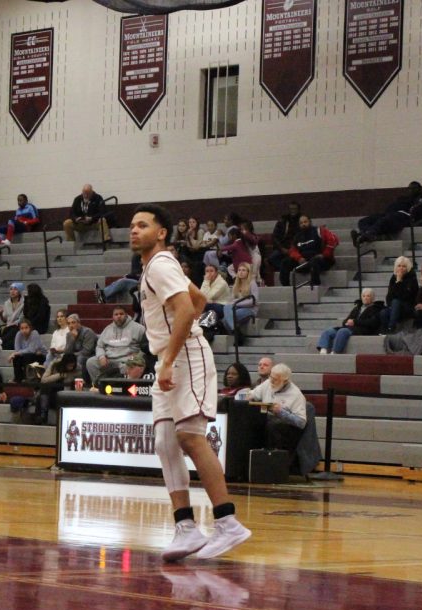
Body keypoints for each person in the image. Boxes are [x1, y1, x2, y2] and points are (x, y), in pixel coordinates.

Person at [130, 204, 251, 562]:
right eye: (132, 225)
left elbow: (186, 310)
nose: (134, 230)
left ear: (162, 232)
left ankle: (228, 522)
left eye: (142, 225)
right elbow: (198, 299)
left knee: (188, 436)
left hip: (184, 356)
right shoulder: (157, 266)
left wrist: (167, 360)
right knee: (165, 441)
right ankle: (185, 526)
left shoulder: (162, 263)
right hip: (171, 356)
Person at [248, 363, 307, 453]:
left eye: (275, 380)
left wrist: (281, 412)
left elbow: (301, 422)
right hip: (266, 421)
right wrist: (244, 395)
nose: (271, 381)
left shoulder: (296, 394)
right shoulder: (268, 383)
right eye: (271, 377)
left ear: (285, 381)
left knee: (273, 426)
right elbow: (252, 394)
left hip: (284, 430)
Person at [86, 306, 147, 386]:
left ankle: (126, 389)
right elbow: (99, 346)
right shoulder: (107, 329)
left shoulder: (139, 328)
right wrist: (101, 356)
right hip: (109, 360)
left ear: (126, 315)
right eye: (116, 314)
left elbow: (145, 347)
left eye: (121, 314)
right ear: (113, 317)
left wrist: (136, 357)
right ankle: (100, 386)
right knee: (91, 362)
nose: (119, 316)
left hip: (126, 360)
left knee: (135, 364)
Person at [352, 182, 422, 245]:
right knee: (363, 221)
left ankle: (365, 235)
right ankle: (366, 234)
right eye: (409, 188)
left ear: (419, 189)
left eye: (413, 188)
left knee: (384, 220)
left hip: (403, 216)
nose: (410, 190)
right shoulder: (402, 198)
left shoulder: (420, 200)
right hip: (389, 214)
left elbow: (419, 214)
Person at [317, 288, 385, 354]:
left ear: (372, 298)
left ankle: (335, 351)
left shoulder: (376, 308)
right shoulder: (358, 307)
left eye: (368, 296)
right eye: (363, 296)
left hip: (363, 329)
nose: (365, 298)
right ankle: (323, 350)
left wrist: (355, 322)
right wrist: (346, 322)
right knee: (328, 331)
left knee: (342, 331)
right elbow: (347, 320)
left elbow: (372, 322)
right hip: (350, 327)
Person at [279, 215, 327, 287]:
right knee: (285, 262)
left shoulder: (318, 231)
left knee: (315, 261)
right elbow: (292, 250)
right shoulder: (297, 236)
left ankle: (315, 285)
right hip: (302, 259)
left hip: (316, 257)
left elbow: (331, 242)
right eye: (301, 223)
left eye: (305, 222)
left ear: (310, 222)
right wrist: (299, 258)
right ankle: (286, 286)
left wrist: (324, 254)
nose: (303, 224)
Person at [382, 256, 418, 333]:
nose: (401, 268)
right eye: (399, 266)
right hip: (395, 307)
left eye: (404, 266)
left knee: (396, 302)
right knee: (383, 312)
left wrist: (399, 282)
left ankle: (391, 329)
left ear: (407, 268)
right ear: (396, 267)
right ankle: (385, 331)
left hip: (408, 307)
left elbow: (405, 297)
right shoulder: (393, 278)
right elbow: (389, 297)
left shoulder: (412, 278)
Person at [223, 263, 258, 337]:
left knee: (227, 320)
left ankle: (235, 333)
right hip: (237, 307)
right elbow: (231, 300)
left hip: (250, 309)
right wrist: (232, 303)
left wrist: (237, 303)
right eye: (239, 270)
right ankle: (236, 332)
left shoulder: (252, 283)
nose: (241, 272)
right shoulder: (236, 284)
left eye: (243, 270)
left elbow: (254, 301)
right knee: (226, 307)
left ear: (248, 272)